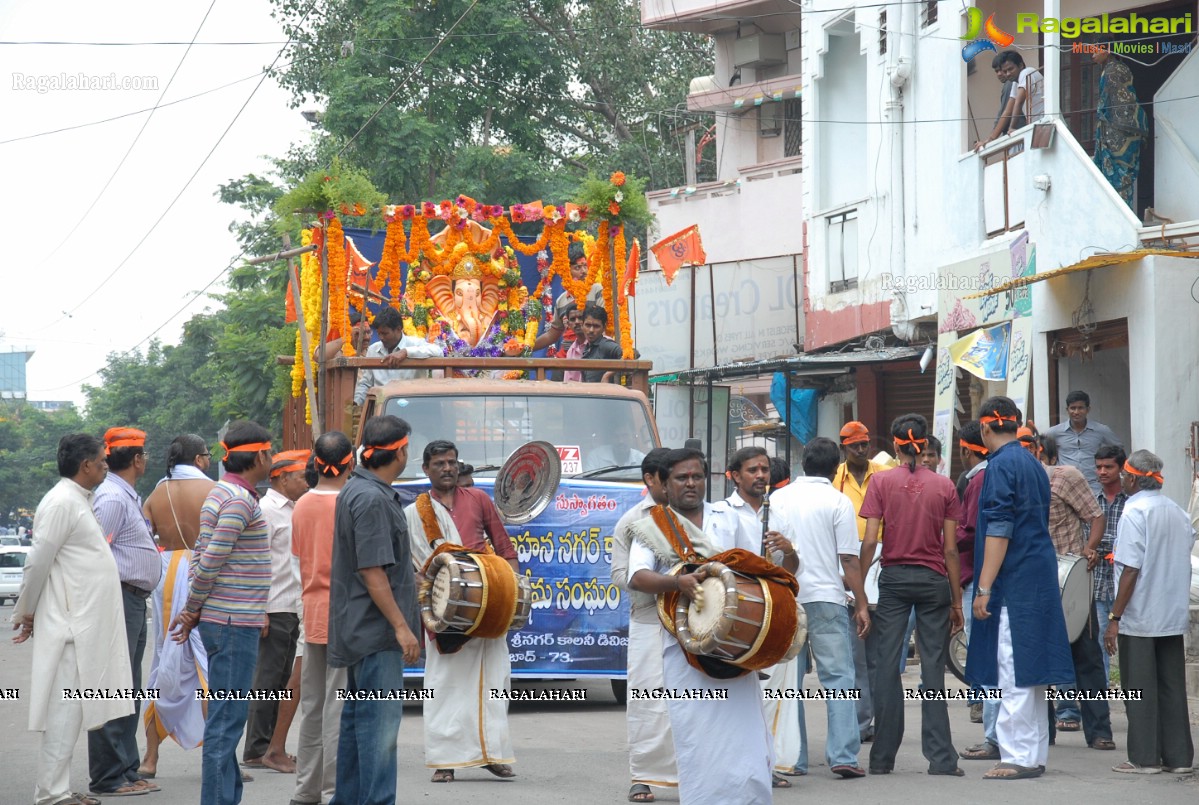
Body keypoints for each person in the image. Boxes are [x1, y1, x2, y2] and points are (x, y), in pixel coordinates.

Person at [627, 448, 782, 805]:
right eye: (681, 478)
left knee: (744, 732)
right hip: (687, 650)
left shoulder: (730, 519)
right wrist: (677, 583)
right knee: (699, 732)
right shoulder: (653, 527)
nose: (691, 483)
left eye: (697, 476)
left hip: (735, 646)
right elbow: (637, 576)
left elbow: (761, 571)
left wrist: (789, 556)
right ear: (665, 484)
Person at [14, 434, 133, 805]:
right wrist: (26, 611)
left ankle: (58, 788)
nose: (105, 467)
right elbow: (38, 561)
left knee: (74, 712)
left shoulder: (78, 500)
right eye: (102, 461)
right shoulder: (63, 501)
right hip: (70, 628)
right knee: (64, 714)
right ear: (86, 466)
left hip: (82, 626)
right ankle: (51, 794)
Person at [966, 397, 1074, 780]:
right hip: (1037, 572)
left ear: (984, 429)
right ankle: (1031, 753)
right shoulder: (1032, 461)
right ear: (1016, 425)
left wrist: (984, 587)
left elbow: (999, 528)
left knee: (1012, 667)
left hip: (1014, 580)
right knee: (1032, 668)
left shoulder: (999, 466)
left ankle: (1017, 756)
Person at [170, 420, 274, 805]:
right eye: (271, 452)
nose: (273, 458)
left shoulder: (223, 492)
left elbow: (202, 554)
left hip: (226, 618)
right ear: (261, 455)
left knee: (225, 720)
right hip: (231, 623)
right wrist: (192, 609)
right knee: (226, 724)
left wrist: (195, 609)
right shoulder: (237, 500)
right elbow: (211, 559)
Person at [405, 440, 519, 783]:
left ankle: (490, 753)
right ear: (426, 469)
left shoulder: (479, 499)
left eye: (452, 462)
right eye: (439, 463)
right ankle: (445, 760)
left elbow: (503, 547)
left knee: (492, 680)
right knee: (445, 684)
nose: (447, 468)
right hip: (444, 609)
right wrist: (434, 599)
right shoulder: (415, 513)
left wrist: (510, 589)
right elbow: (414, 569)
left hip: (486, 605)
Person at [859, 414, 964, 777]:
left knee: (887, 666)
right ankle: (942, 759)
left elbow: (871, 540)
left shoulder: (880, 482)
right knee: (933, 667)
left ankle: (882, 758)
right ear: (924, 444)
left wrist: (858, 588)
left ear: (894, 442)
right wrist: (956, 600)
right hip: (934, 581)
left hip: (895, 580)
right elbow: (951, 550)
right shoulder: (945, 485)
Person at [327, 415, 421, 805]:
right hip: (376, 632)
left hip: (362, 628)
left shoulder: (361, 489)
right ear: (400, 452)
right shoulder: (370, 498)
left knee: (356, 727)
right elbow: (371, 571)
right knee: (380, 733)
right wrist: (402, 628)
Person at [772, 437, 869, 779]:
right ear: (834, 468)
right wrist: (861, 604)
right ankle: (842, 755)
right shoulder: (838, 501)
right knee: (839, 677)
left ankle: (793, 758)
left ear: (803, 464)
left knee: (789, 683)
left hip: (787, 599)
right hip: (827, 598)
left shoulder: (777, 498)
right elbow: (848, 558)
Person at [1104, 449, 1195, 774]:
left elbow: (1130, 569)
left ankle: (1144, 758)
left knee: (1139, 687)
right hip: (1171, 614)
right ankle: (1179, 758)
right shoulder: (1176, 511)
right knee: (1171, 686)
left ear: (1131, 478)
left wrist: (1114, 618)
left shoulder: (1135, 511)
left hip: (1141, 616)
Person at [88, 428, 163, 797]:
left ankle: (127, 769)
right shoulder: (113, 499)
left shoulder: (122, 495)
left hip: (132, 599)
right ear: (136, 459)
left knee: (128, 687)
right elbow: (94, 553)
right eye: (144, 455)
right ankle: (108, 775)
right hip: (118, 598)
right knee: (113, 688)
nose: (146, 460)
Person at [141, 434, 215, 778]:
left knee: (163, 662)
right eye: (208, 456)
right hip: (203, 573)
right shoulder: (213, 491)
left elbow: (144, 536)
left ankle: (150, 758)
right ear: (199, 459)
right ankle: (220, 759)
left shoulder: (157, 493)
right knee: (207, 669)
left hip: (166, 576)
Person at [291, 433, 354, 805]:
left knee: (313, 706)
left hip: (312, 612)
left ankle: (306, 790)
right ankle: (333, 791)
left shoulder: (301, 505)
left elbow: (300, 556)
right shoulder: (352, 503)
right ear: (350, 462)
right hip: (345, 615)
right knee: (338, 707)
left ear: (316, 463)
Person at [1037, 435, 1112, 746]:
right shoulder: (1015, 480)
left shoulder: (1066, 477)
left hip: (1071, 581)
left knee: (1087, 657)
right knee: (1037, 661)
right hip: (1035, 581)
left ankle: (1099, 733)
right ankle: (1043, 734)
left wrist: (1088, 550)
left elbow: (1096, 516)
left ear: (1041, 452)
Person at [610, 448, 675, 803]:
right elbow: (620, 575)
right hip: (649, 621)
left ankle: (693, 773)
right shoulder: (632, 521)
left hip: (693, 623)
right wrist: (666, 581)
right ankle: (643, 777)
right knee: (648, 700)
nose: (681, 484)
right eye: (671, 477)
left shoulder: (694, 515)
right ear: (651, 479)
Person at [243, 450, 309, 773]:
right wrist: (261, 610)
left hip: (293, 606)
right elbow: (256, 563)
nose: (306, 482)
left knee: (284, 679)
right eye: (301, 476)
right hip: (275, 606)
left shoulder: (297, 509)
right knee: (268, 680)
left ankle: (272, 746)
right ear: (282, 478)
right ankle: (257, 748)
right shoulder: (267, 510)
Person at [833, 420, 888, 744]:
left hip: (880, 562)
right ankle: (862, 720)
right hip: (848, 564)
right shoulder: (835, 479)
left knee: (880, 654)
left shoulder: (882, 473)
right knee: (857, 653)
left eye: (864, 443)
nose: (861, 449)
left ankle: (880, 718)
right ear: (844, 447)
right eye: (854, 445)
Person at [953, 423, 993, 745]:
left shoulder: (977, 479)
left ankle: (992, 734)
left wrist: (941, 543)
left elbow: (970, 530)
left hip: (978, 576)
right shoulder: (992, 473)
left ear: (966, 450)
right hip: (987, 574)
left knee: (983, 652)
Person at [351, 306, 443, 406]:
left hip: (413, 406)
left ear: (398, 329)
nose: (381, 338)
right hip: (383, 409)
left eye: (385, 333)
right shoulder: (373, 350)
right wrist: (356, 402)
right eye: (379, 334)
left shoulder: (415, 343)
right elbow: (366, 383)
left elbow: (438, 351)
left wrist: (406, 352)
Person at [1092, 45, 1147, 208]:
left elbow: (1107, 103)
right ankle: (1126, 213)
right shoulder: (1120, 68)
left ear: (1107, 51)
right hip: (1129, 130)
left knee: (1117, 176)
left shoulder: (1111, 71)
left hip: (1117, 131)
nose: (1092, 55)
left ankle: (1121, 216)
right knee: (1125, 176)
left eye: (1096, 51)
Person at [1092, 445, 1129, 679]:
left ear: (1122, 468)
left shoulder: (1132, 501)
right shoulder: (1091, 500)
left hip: (1124, 583)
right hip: (1097, 583)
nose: (1103, 472)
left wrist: (1102, 546)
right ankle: (1100, 705)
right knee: (1097, 647)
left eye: (1108, 467)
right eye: (1098, 467)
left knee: (1128, 647)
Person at [1044, 390, 1123, 495]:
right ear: (1067, 410)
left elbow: (1119, 449)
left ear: (1088, 409)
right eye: (1073, 408)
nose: (1076, 412)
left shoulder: (1101, 430)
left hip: (1093, 487)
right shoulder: (1054, 432)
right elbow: (1041, 450)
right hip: (1065, 487)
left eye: (1080, 408)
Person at [533, 241, 604, 351]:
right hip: (570, 355)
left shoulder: (597, 290)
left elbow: (604, 323)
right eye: (577, 268)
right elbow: (552, 335)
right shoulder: (561, 301)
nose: (584, 271)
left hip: (596, 352)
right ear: (566, 272)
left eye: (585, 266)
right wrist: (527, 348)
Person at [974, 50, 1043, 151]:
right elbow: (1007, 111)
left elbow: (1018, 103)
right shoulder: (1016, 82)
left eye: (1011, 69)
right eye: (1005, 71)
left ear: (1020, 65)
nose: (1008, 74)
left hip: (1045, 122)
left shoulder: (1026, 72)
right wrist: (990, 139)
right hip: (1037, 126)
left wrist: (1012, 128)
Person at [579, 305, 624, 382]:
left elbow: (632, 354)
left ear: (604, 328)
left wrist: (607, 375)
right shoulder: (588, 347)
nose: (591, 330)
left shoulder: (605, 345)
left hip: (604, 393)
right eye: (588, 325)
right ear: (582, 325)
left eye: (596, 326)